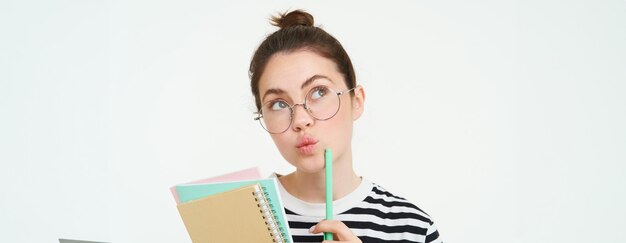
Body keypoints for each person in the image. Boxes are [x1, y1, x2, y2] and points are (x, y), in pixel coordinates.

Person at [249, 9, 443, 243]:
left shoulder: (411, 228)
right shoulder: (240, 217)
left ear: (356, 100)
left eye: (319, 92)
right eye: (278, 104)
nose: (300, 120)